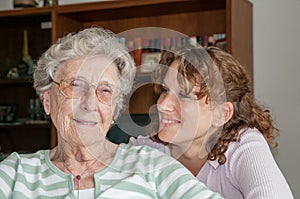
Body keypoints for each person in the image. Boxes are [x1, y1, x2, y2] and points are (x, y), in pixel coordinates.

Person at [0, 27, 223, 199]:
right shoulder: (14, 174)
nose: (89, 103)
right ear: (48, 101)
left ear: (115, 109)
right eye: (76, 85)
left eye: (104, 90)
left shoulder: (153, 166)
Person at [130, 45, 294, 199]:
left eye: (184, 95)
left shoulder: (242, 145)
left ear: (222, 114)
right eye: (165, 90)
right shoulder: (148, 150)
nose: (162, 105)